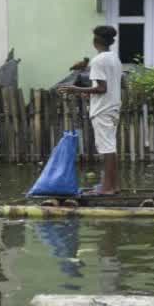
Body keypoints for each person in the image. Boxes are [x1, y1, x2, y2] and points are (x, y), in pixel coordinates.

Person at [59, 26, 122, 195]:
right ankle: (112, 186)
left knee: (106, 148)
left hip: (103, 110)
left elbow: (101, 88)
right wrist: (88, 94)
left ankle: (107, 188)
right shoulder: (114, 58)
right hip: (112, 107)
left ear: (95, 42)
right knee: (110, 147)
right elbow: (106, 87)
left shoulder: (98, 61)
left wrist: (76, 89)